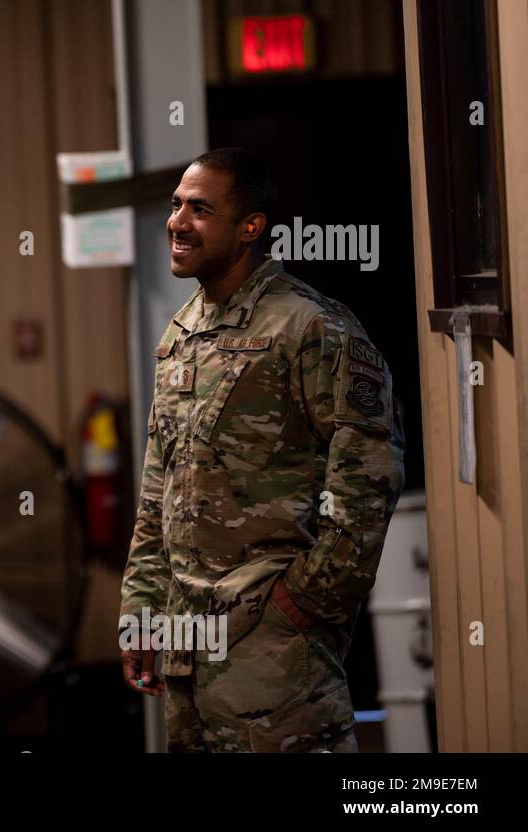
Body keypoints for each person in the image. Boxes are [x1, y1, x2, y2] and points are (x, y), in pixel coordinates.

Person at [119, 147, 405, 752]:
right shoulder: (183, 332)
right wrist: (141, 608)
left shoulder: (310, 327)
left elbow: (369, 484)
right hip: (186, 642)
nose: (177, 221)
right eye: (175, 205)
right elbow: (157, 488)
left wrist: (301, 606)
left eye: (200, 209)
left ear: (250, 227)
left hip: (272, 648)